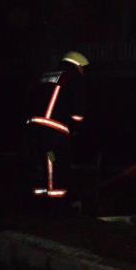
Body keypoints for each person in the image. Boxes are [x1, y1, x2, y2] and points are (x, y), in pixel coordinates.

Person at [23, 51, 89, 205]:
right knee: (55, 162)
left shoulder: (46, 74)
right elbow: (78, 109)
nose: (84, 72)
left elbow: (30, 97)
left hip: (33, 127)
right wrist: (76, 127)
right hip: (54, 129)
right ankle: (56, 203)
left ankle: (37, 199)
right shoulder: (73, 76)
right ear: (78, 64)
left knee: (39, 162)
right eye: (83, 68)